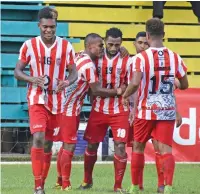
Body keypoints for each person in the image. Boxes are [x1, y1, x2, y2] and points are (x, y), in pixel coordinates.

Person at [48, 33, 126, 191]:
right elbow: (96, 90)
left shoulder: (80, 55)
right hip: (69, 108)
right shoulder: (89, 65)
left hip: (65, 105)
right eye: (101, 46)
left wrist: (121, 50)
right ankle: (66, 184)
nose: (103, 49)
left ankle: (59, 180)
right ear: (90, 46)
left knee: (64, 146)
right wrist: (118, 91)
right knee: (69, 146)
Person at [14, 7, 78, 194]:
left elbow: (73, 71)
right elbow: (18, 71)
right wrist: (31, 78)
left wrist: (67, 81)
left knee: (49, 143)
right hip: (37, 97)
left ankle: (43, 180)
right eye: (45, 27)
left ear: (56, 26)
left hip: (58, 99)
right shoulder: (29, 46)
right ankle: (37, 186)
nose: (48, 30)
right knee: (39, 137)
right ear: (39, 26)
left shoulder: (65, 46)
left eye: (52, 27)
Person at [122, 18, 188, 194]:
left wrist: (125, 94)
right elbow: (184, 84)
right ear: (164, 35)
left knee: (138, 147)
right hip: (166, 110)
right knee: (165, 149)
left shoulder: (141, 58)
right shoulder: (175, 57)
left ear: (148, 35)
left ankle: (135, 187)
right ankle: (168, 186)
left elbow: (135, 83)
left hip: (145, 109)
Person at [79, 28, 132, 193]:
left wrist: (127, 94)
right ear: (104, 42)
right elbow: (83, 53)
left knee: (120, 147)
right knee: (92, 145)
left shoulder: (128, 60)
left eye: (117, 44)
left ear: (121, 43)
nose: (114, 47)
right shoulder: (94, 58)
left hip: (120, 109)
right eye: (110, 44)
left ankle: (118, 186)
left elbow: (132, 85)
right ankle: (87, 181)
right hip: (99, 108)